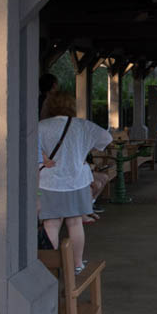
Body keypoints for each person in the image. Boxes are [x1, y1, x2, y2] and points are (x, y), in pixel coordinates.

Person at [38, 91, 112, 274]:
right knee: (75, 223)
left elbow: (29, 150)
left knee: (51, 224)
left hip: (49, 182)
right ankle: (77, 264)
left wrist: (44, 158)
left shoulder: (41, 126)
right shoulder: (83, 126)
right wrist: (83, 150)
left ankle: (50, 267)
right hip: (77, 180)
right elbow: (106, 138)